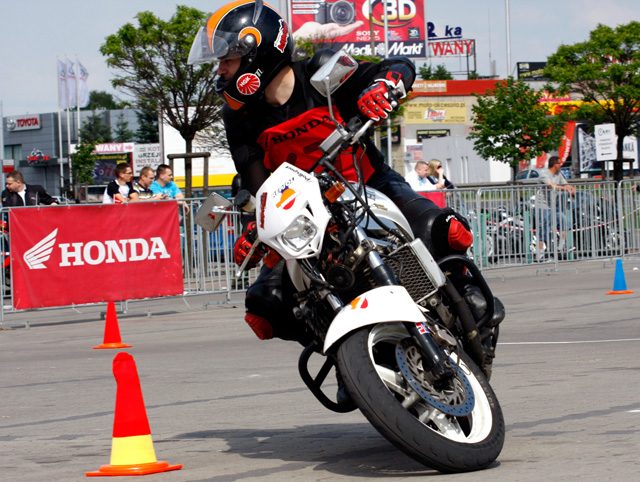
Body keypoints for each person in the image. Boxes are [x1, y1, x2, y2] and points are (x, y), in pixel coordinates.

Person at [188, 0, 475, 345]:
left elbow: (395, 66)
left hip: (369, 184)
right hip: (307, 217)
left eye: (227, 60)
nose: (220, 70)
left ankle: (469, 302)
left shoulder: (322, 71)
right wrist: (254, 227)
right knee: (265, 306)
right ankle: (343, 352)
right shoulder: (239, 117)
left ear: (256, 54)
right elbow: (255, 183)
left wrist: (382, 85)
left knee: (443, 229)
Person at [535, 155, 575, 259]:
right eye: (559, 163)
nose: (561, 165)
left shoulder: (559, 174)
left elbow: (565, 184)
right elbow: (551, 186)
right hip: (542, 206)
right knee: (543, 229)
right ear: (554, 164)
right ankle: (540, 254)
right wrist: (565, 189)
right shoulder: (544, 174)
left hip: (553, 206)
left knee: (564, 221)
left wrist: (571, 188)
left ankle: (560, 248)